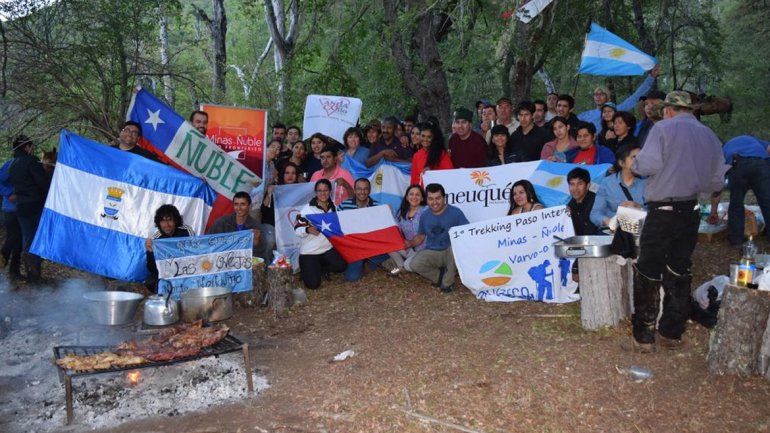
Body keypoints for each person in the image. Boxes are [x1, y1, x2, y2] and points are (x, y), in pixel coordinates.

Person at [627, 91, 726, 352]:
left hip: (664, 211)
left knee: (648, 270)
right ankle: (671, 332)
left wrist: (635, 163)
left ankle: (644, 334)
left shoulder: (662, 129)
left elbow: (644, 166)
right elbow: (717, 182)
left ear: (669, 110)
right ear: (691, 110)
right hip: (691, 211)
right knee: (679, 270)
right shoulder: (710, 136)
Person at [708, 135, 770, 247]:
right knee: (767, 202)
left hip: (738, 165)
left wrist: (713, 212)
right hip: (761, 164)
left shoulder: (723, 152)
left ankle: (736, 240)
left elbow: (718, 186)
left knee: (736, 203)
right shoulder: (751, 139)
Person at [408, 183, 469, 293]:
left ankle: (448, 283)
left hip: (450, 251)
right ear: (426, 199)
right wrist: (409, 243)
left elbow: (467, 233)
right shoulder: (425, 215)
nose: (434, 202)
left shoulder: (455, 213)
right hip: (433, 251)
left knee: (455, 249)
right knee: (414, 264)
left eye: (438, 198)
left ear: (444, 198)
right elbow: (420, 236)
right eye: (431, 199)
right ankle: (440, 276)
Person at [8, 135, 50, 283]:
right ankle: (34, 276)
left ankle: (32, 276)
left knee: (27, 240)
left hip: (21, 206)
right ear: (26, 147)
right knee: (36, 240)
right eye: (31, 146)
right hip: (35, 205)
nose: (32, 149)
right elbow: (42, 183)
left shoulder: (13, 164)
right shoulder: (31, 161)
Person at [295, 179, 347, 289]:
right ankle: (307, 268)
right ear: (315, 192)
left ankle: (320, 268)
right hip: (310, 252)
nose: (322, 193)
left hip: (327, 249)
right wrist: (308, 230)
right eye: (319, 191)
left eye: (325, 190)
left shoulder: (333, 207)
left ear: (330, 191)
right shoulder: (308, 209)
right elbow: (297, 228)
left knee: (342, 266)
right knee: (313, 285)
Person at [577, 65, 659, 132]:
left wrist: (651, 77)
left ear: (608, 97)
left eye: (601, 94)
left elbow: (635, 97)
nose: (598, 96)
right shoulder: (585, 115)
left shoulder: (616, 110)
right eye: (596, 94)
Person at [337, 178, 389, 281]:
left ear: (369, 191)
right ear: (355, 190)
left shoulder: (378, 206)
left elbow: (385, 230)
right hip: (353, 247)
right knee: (352, 278)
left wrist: (388, 213)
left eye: (365, 189)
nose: (362, 192)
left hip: (372, 246)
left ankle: (369, 263)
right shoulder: (343, 206)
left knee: (388, 253)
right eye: (359, 189)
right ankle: (362, 262)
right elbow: (338, 228)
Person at [208, 191, 276, 264]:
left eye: (243, 204)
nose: (239, 208)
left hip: (244, 264)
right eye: (236, 204)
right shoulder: (222, 222)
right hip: (221, 263)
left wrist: (256, 243)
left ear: (250, 206)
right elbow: (209, 243)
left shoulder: (255, 226)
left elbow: (260, 257)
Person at [591, 144, 647, 228]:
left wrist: (638, 207)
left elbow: (654, 213)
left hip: (638, 233)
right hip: (613, 234)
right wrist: (610, 222)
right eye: (634, 157)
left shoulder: (646, 184)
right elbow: (595, 214)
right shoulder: (606, 183)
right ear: (621, 163)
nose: (639, 161)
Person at [145, 204, 195, 292]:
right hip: (166, 272)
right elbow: (152, 268)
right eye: (163, 221)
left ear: (175, 221)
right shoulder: (156, 238)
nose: (167, 224)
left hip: (187, 269)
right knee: (150, 281)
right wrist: (149, 251)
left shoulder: (187, 231)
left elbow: (196, 253)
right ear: (159, 223)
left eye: (170, 220)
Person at [389, 185, 427, 274]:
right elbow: (396, 228)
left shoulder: (426, 211)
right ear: (407, 197)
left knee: (408, 264)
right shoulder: (402, 212)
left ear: (422, 198)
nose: (414, 197)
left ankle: (405, 265)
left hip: (424, 250)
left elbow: (423, 235)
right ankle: (400, 267)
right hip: (409, 249)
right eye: (411, 194)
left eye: (417, 195)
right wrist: (389, 213)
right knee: (388, 245)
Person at [0, 152, 22, 279]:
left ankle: (14, 272)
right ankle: (2, 262)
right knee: (12, 238)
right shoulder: (10, 164)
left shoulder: (29, 163)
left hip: (21, 208)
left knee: (19, 240)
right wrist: (9, 193)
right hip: (10, 208)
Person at [261, 162, 301, 227]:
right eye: (287, 173)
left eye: (293, 173)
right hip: (273, 226)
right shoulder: (274, 188)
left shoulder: (300, 190)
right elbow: (264, 210)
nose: (290, 176)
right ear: (283, 174)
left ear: (296, 175)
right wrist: (269, 194)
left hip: (291, 226)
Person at [567, 168, 598, 235]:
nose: (575, 188)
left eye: (580, 184)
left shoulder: (597, 202)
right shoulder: (570, 206)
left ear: (588, 186)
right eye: (572, 184)